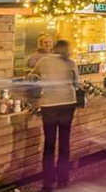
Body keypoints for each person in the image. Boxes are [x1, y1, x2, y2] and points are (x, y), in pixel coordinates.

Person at [30, 40, 80, 192]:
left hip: (49, 106)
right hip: (67, 104)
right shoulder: (71, 63)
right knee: (64, 143)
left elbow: (32, 76)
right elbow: (76, 84)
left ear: (54, 48)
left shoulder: (44, 61)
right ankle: (63, 179)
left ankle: (48, 183)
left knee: (49, 144)